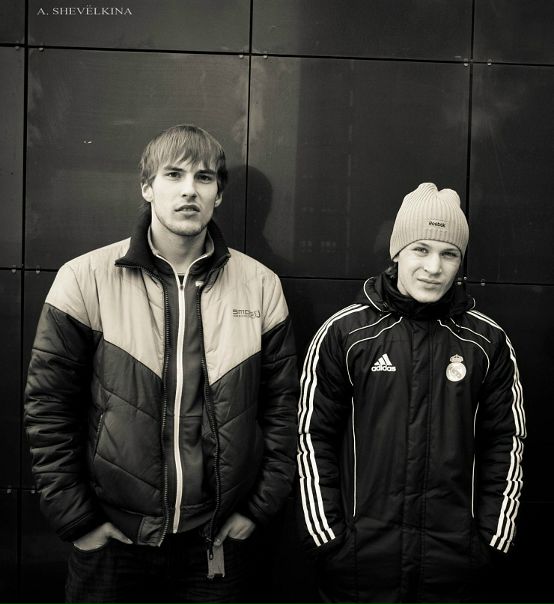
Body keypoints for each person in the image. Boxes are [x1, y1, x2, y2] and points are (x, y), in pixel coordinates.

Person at [24, 124, 298, 603]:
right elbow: (48, 408)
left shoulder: (260, 286)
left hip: (215, 542)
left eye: (204, 177)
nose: (190, 189)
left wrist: (257, 508)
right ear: (147, 187)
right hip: (113, 541)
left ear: (218, 195)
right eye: (174, 174)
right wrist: (78, 519)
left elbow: (283, 409)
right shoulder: (84, 279)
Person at [297, 182, 526, 604]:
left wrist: (491, 540)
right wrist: (328, 539)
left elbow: (506, 443)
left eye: (449, 254)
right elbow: (312, 438)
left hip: (454, 569)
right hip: (359, 568)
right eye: (421, 249)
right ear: (396, 252)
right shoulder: (344, 334)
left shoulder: (487, 342)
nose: (434, 267)